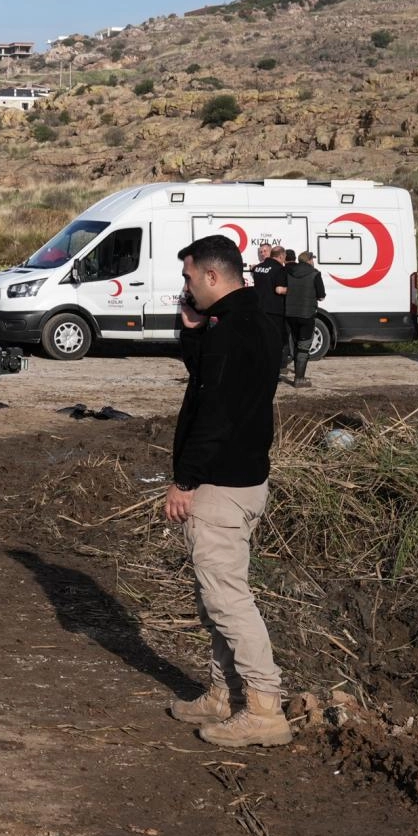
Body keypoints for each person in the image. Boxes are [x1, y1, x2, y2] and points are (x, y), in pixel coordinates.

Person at [165, 233, 291, 748]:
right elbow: (213, 381)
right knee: (216, 597)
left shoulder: (231, 328)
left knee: (227, 600)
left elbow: (214, 411)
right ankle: (225, 693)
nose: (186, 286)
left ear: (212, 276)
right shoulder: (255, 317)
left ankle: (264, 708)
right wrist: (193, 332)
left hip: (221, 483)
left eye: (189, 276)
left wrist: (184, 480)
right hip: (246, 477)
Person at [282, 250, 324, 388]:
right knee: (304, 346)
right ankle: (299, 379)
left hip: (290, 313)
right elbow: (321, 296)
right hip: (307, 314)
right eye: (312, 259)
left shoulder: (289, 272)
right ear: (309, 260)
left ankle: (295, 373)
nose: (313, 261)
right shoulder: (315, 273)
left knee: (295, 343)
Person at [249, 243, 289, 371]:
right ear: (281, 256)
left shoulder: (258, 268)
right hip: (274, 310)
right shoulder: (279, 269)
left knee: (261, 339)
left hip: (259, 309)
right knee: (275, 341)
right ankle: (273, 368)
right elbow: (279, 289)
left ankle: (259, 366)